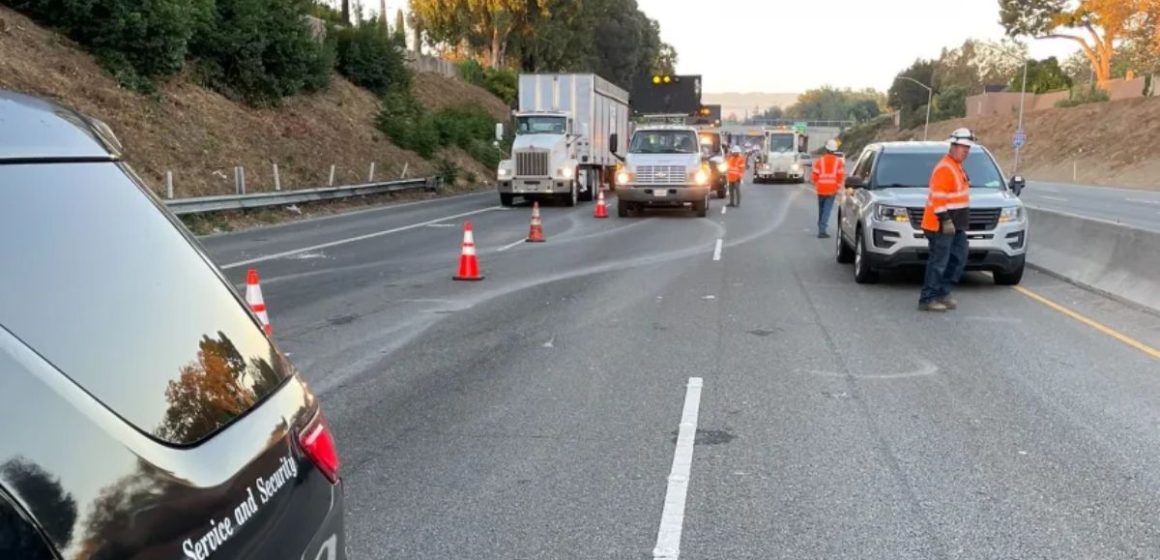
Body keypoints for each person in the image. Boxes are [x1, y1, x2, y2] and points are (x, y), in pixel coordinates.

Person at [918, 128, 975, 312]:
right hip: (940, 225)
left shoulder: (957, 166)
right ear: (953, 146)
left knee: (958, 258)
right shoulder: (945, 167)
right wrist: (945, 220)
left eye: (968, 148)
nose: (966, 151)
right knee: (939, 262)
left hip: (956, 225)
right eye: (963, 147)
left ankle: (942, 292)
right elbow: (938, 197)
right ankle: (928, 298)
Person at [811, 139, 845, 238]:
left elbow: (814, 176)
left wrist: (817, 184)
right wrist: (837, 187)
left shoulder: (819, 161)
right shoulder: (838, 162)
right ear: (834, 150)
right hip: (831, 190)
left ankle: (820, 227)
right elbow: (840, 176)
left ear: (826, 149)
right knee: (827, 210)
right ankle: (822, 230)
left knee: (821, 209)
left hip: (821, 189)